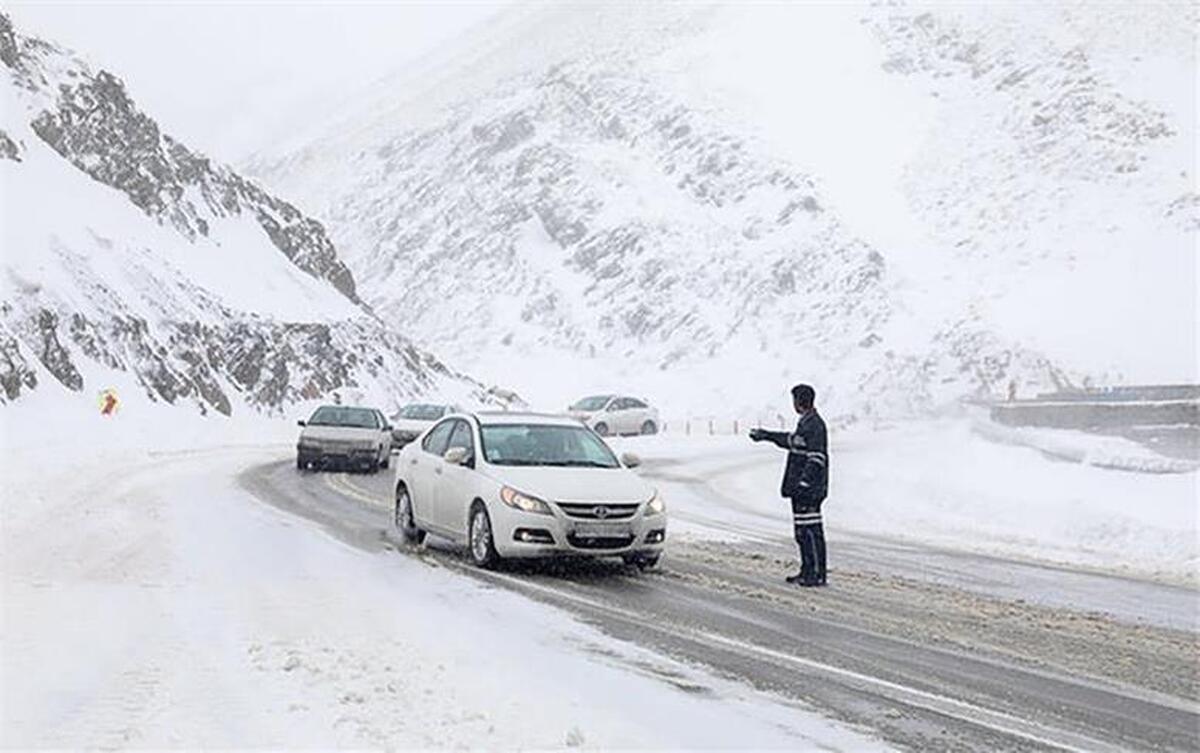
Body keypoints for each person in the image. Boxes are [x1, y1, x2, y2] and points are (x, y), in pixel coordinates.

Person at [749, 384, 829, 586]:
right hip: (802, 489)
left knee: (810, 531)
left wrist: (805, 481)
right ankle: (807, 570)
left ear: (799, 402)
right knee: (802, 532)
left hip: (809, 490)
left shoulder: (815, 425)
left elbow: (817, 458)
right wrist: (767, 435)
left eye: (795, 399)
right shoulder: (806, 423)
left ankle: (816, 573)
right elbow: (791, 441)